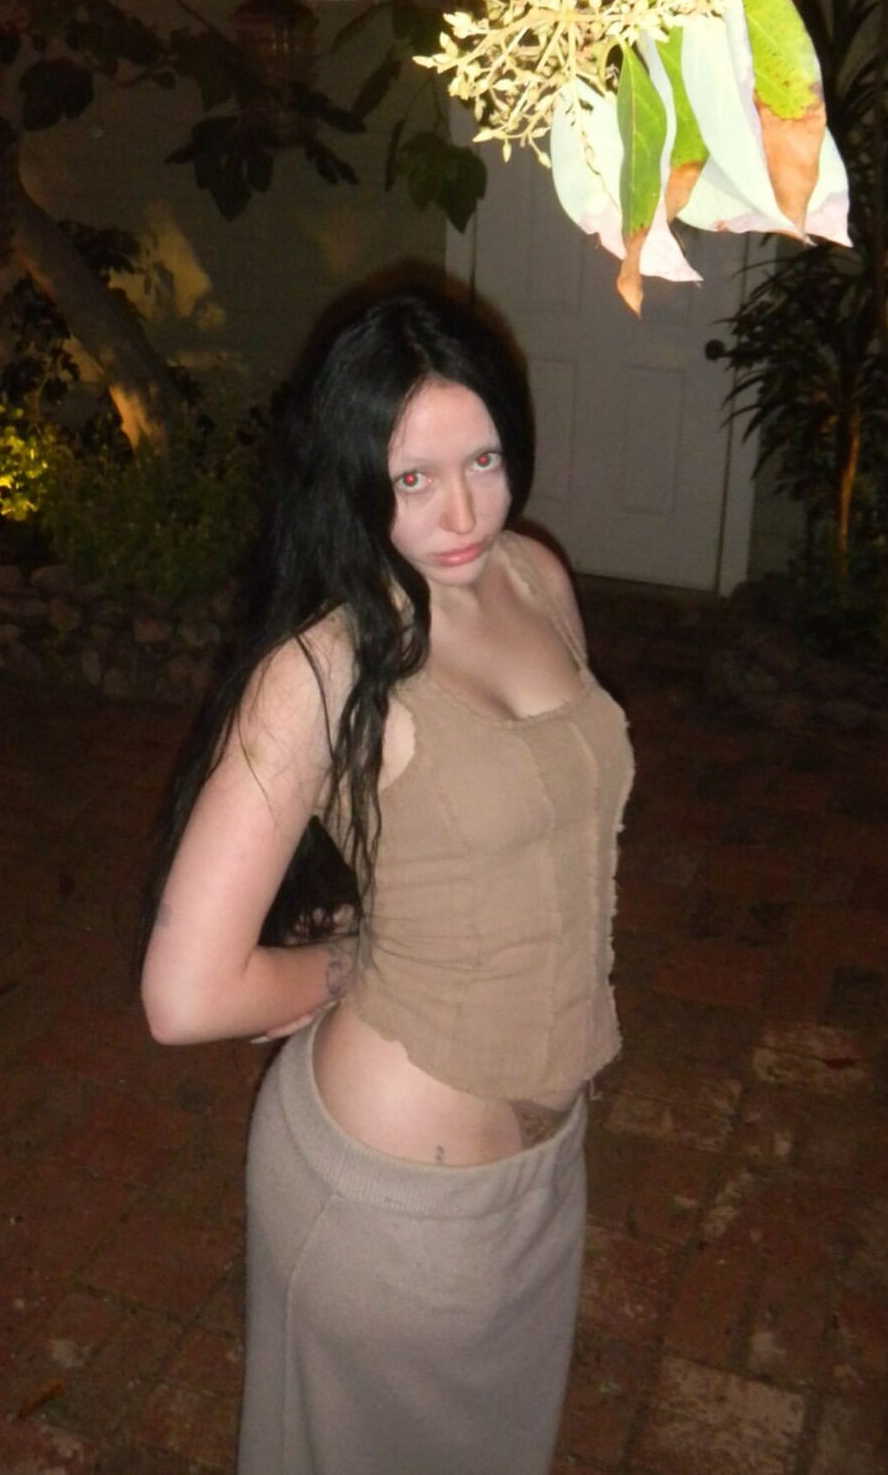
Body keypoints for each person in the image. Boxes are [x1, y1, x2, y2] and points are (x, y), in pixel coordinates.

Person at [138, 284, 633, 1475]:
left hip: (544, 1170)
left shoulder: (533, 576)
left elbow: (528, 817)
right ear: (353, 477)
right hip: (390, 1209)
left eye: (484, 462)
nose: (462, 513)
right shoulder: (323, 668)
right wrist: (348, 959)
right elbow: (184, 996)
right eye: (412, 478)